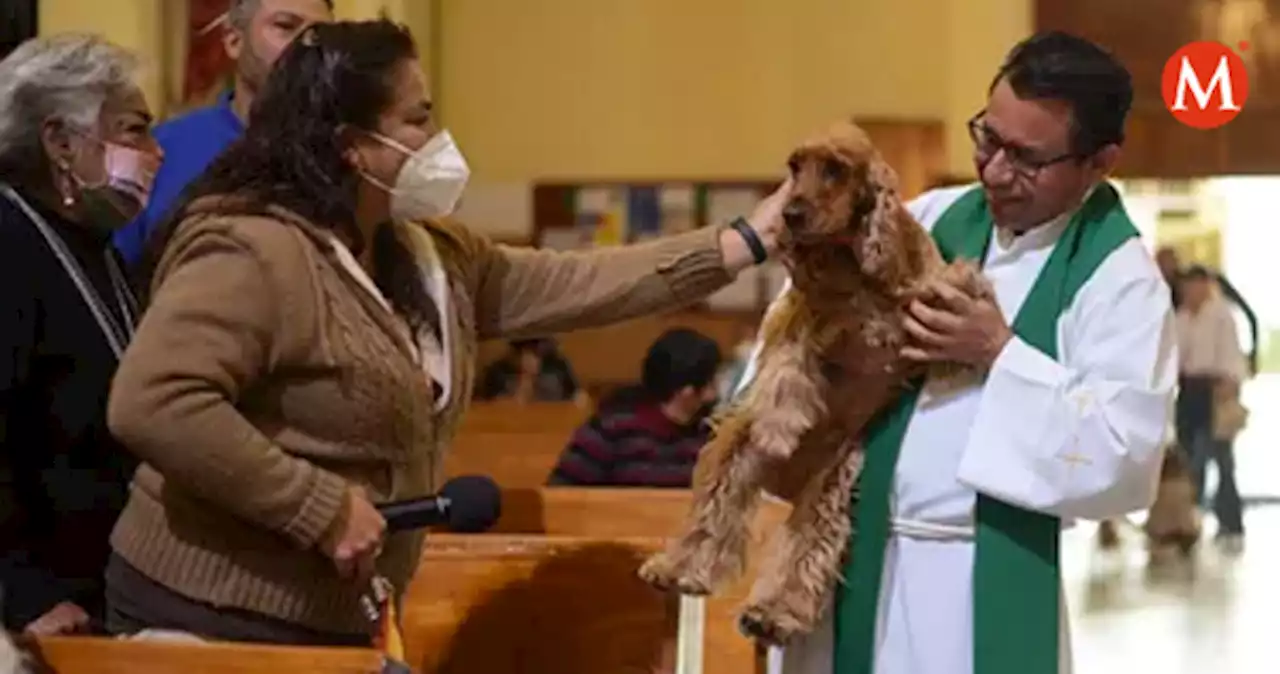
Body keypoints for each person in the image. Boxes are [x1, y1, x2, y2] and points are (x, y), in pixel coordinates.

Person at [102, 19, 788, 645]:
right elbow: (155, 401)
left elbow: (579, 283)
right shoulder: (252, 247)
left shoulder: (425, 253)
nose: (437, 143)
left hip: (339, 618)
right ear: (351, 146)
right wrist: (316, 506)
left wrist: (743, 242)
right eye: (418, 120)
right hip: (212, 614)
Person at [760, 32, 1176, 674]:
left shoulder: (1120, 281)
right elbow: (794, 321)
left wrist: (998, 352)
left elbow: (1126, 455)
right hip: (847, 561)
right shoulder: (929, 216)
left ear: (1100, 163)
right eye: (988, 138)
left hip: (969, 587)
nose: (993, 171)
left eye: (1027, 158)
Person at [0, 34, 161, 635]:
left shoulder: (98, 246)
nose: (155, 152)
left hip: (107, 580)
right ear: (61, 142)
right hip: (39, 605)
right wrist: (21, 592)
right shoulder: (10, 239)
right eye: (134, 130)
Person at [112, 0, 334, 266]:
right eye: (285, 26)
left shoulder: (348, 154)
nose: (305, 47)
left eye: (318, 35)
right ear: (233, 40)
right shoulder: (164, 149)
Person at [547, 328, 722, 487]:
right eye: (711, 382)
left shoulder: (710, 434)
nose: (715, 392)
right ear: (687, 391)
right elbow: (561, 492)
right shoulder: (610, 429)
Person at [1175, 265, 1248, 550]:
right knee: (1189, 457)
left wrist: (1230, 385)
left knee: (1221, 458)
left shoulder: (1221, 315)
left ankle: (1230, 520)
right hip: (1189, 388)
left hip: (1215, 389)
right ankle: (1189, 519)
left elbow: (1231, 354)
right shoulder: (1181, 316)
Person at [1156, 245, 1258, 373]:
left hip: (1215, 373)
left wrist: (1253, 355)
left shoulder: (1219, 311)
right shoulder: (1170, 303)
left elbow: (1247, 316)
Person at [475, 338, 583, 403]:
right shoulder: (498, 371)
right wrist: (526, 377)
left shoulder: (558, 364)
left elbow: (579, 396)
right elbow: (490, 406)